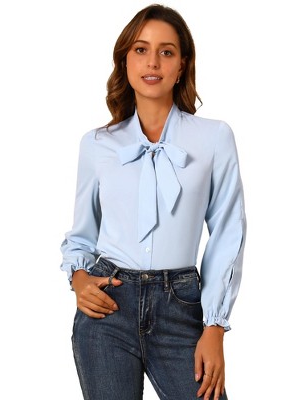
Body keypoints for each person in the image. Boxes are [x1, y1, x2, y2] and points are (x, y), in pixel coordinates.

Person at [60, 4, 246, 400]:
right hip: (108, 307)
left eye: (166, 51)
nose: (153, 62)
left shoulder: (214, 138)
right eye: (141, 50)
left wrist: (215, 326)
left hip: (181, 307)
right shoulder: (97, 144)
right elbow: (82, 235)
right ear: (125, 60)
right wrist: (79, 280)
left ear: (182, 65)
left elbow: (228, 233)